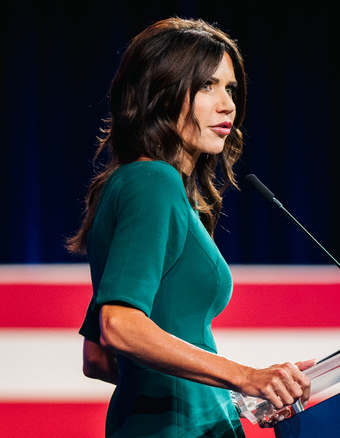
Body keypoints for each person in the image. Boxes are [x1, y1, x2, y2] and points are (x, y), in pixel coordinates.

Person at [66, 17, 313, 437]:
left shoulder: (129, 184)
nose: (227, 105)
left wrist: (226, 395)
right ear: (161, 94)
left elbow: (97, 358)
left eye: (230, 88)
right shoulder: (152, 183)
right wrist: (244, 377)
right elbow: (119, 325)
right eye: (206, 86)